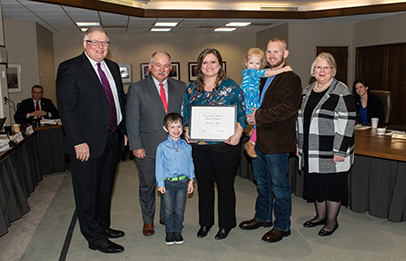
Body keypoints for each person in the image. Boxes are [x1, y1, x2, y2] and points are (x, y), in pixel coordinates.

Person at [56, 27, 126, 254]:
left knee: (106, 189)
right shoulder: (70, 68)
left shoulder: (113, 68)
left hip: (111, 137)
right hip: (85, 144)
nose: (100, 47)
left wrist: (122, 130)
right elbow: (67, 109)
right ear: (85, 43)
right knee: (87, 192)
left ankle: (103, 227)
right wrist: (77, 141)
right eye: (95, 42)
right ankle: (94, 237)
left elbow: (117, 102)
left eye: (104, 43)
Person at [239, 38, 302, 243]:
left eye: (277, 52)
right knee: (262, 183)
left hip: (277, 142)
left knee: (279, 186)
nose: (272, 55)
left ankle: (282, 225)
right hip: (258, 141)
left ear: (286, 54)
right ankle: (263, 217)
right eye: (269, 51)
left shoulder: (291, 79)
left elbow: (288, 108)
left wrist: (257, 116)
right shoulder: (261, 75)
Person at [181, 48, 246, 240]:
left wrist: (239, 133)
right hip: (199, 147)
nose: (209, 66)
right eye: (205, 62)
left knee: (225, 186)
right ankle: (205, 223)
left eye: (213, 62)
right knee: (204, 186)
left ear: (220, 65)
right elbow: (185, 114)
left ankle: (226, 224)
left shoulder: (231, 87)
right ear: (200, 66)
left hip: (225, 146)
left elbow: (242, 114)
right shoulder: (192, 88)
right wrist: (186, 130)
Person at [126, 52, 187, 237]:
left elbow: (187, 114)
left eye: (166, 65)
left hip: (174, 148)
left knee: (172, 184)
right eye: (158, 65)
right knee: (147, 185)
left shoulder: (181, 86)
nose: (162, 69)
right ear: (150, 67)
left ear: (171, 68)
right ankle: (148, 220)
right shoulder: (137, 88)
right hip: (148, 147)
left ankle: (165, 216)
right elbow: (132, 119)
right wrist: (136, 145)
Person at [296, 52, 356, 237]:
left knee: (331, 188)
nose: (321, 71)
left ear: (333, 70)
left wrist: (340, 150)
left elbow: (347, 123)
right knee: (317, 186)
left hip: (332, 151)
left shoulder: (341, 91)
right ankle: (319, 217)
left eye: (326, 67)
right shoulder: (307, 91)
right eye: (318, 67)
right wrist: (299, 145)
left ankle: (331, 222)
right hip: (311, 148)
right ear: (313, 70)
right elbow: (300, 121)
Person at [241, 48, 292, 158]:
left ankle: (253, 134)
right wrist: (283, 70)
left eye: (257, 63)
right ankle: (251, 143)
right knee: (260, 123)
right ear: (246, 63)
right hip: (251, 103)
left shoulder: (249, 73)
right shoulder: (251, 73)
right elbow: (268, 73)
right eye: (251, 63)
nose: (254, 66)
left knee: (257, 122)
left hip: (250, 102)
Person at [155, 113, 195, 245]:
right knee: (167, 209)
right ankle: (169, 232)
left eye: (179, 126)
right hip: (167, 183)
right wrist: (160, 183)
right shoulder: (162, 147)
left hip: (183, 182)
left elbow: (190, 163)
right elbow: (159, 166)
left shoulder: (186, 146)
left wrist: (191, 180)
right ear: (166, 129)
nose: (176, 130)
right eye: (172, 127)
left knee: (179, 209)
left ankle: (177, 231)